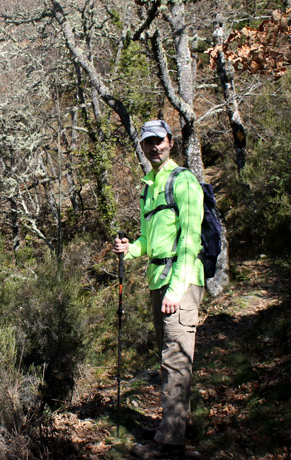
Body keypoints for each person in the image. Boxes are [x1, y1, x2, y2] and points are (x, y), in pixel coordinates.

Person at [113, 119, 205, 459]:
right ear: (143, 146)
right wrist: (131, 249)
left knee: (176, 362)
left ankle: (170, 445)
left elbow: (190, 239)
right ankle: (172, 430)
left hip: (178, 282)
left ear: (170, 141)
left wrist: (176, 289)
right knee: (168, 360)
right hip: (158, 280)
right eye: (148, 142)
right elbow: (151, 241)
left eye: (159, 141)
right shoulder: (149, 185)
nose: (154, 147)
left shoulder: (183, 181)